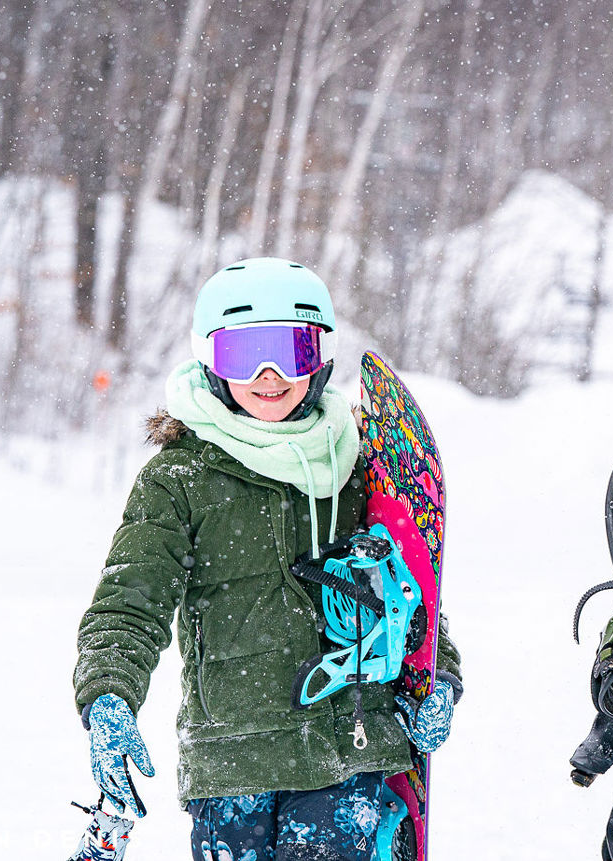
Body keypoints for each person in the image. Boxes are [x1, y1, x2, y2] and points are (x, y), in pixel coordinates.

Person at [72, 257, 462, 861]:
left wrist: (442, 678)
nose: (269, 376)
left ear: (319, 357)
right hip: (234, 762)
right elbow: (130, 604)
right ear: (211, 360)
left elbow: (411, 590)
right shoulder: (179, 479)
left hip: (349, 749)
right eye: (244, 355)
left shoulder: (359, 466)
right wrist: (108, 695)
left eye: (290, 352)